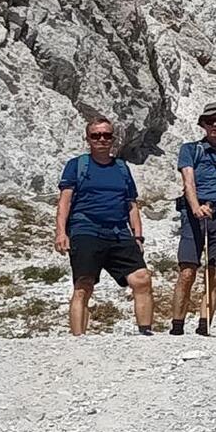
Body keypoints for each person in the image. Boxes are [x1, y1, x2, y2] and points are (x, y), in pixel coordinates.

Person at [55, 116, 154, 336]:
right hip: (86, 230)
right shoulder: (77, 165)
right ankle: (78, 340)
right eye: (96, 135)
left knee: (142, 278)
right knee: (84, 284)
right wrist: (61, 233)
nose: (102, 139)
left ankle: (145, 334)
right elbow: (65, 202)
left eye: (107, 135)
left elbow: (131, 205)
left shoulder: (121, 168)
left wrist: (138, 236)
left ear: (113, 139)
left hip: (119, 232)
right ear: (88, 139)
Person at [170, 101, 216, 336]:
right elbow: (188, 181)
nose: (215, 125)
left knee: (215, 271)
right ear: (203, 124)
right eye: (210, 121)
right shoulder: (190, 149)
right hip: (195, 213)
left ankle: (204, 324)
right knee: (187, 270)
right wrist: (195, 207)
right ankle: (177, 325)